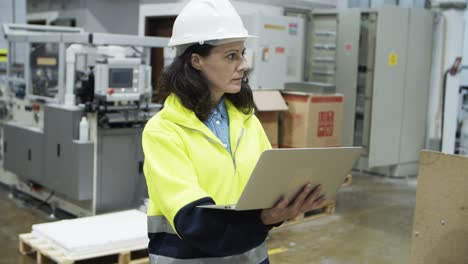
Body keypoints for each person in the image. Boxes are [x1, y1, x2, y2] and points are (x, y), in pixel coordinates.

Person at [142, 0, 325, 263]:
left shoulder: (247, 121)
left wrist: (289, 201)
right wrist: (263, 218)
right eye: (231, 56)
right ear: (196, 61)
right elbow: (192, 221)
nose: (243, 64)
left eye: (242, 53)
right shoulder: (163, 131)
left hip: (249, 257)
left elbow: (267, 193)